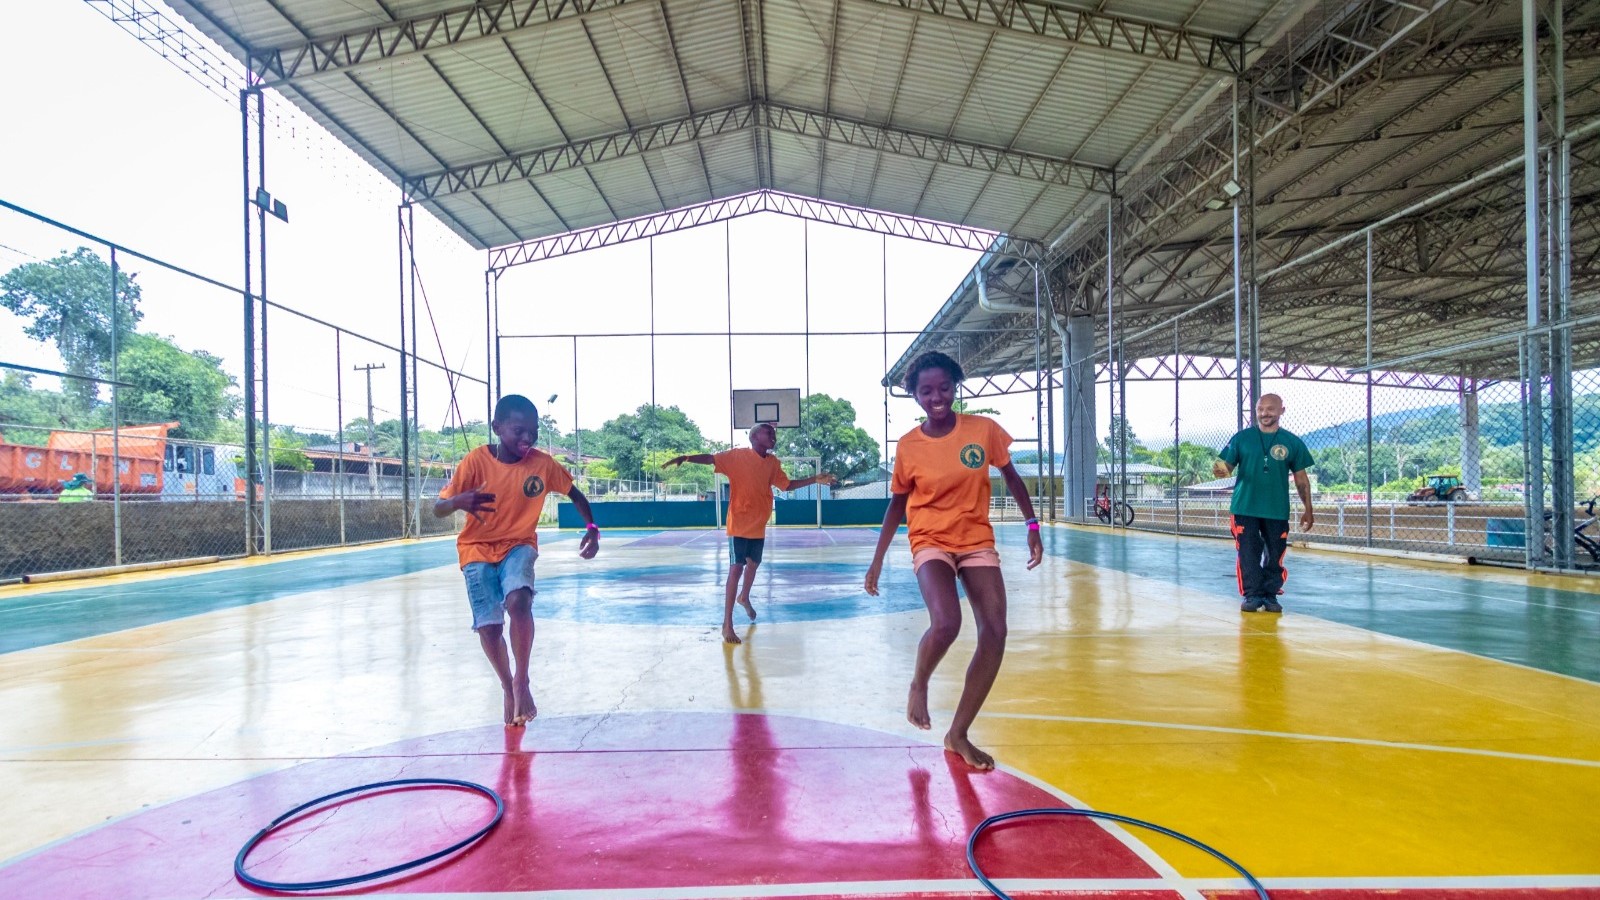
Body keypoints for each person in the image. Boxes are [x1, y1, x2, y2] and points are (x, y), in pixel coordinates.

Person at [864, 351, 1043, 771]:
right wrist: (876, 562)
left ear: (955, 385)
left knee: (995, 631)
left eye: (944, 387)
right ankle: (919, 682)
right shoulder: (909, 446)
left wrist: (1032, 526)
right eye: (926, 390)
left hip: (975, 538)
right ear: (915, 395)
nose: (937, 397)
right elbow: (896, 506)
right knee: (947, 622)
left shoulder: (983, 430)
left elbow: (1012, 478)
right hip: (929, 538)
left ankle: (957, 732)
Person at [435, 394, 600, 726]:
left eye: (533, 431)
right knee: (489, 625)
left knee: (519, 600)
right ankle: (507, 685)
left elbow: (575, 494)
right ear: (497, 428)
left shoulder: (542, 464)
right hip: (476, 548)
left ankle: (521, 679)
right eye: (518, 431)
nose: (527, 438)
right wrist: (458, 502)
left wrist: (592, 528)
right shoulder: (475, 462)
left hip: (519, 544)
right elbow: (438, 508)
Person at [665, 423, 837, 644]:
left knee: (753, 564)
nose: (773, 436)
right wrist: (687, 457)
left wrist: (814, 479)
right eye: (769, 432)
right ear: (755, 437)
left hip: (758, 523)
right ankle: (727, 624)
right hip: (738, 522)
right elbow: (711, 458)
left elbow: (786, 486)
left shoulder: (773, 463)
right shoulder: (737, 457)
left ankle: (744, 596)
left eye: (774, 433)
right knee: (736, 567)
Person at [1212, 393, 1315, 613]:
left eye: (1270, 409)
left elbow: (1301, 479)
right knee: (1248, 552)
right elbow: (1225, 466)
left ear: (1281, 411)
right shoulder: (1241, 438)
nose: (1264, 413)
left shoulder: (1292, 442)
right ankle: (1252, 594)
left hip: (1276, 509)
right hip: (1245, 507)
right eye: (1260, 409)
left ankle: (1270, 595)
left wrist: (1308, 509)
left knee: (1275, 554)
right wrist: (1220, 469)